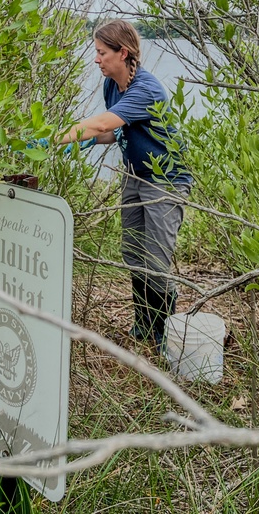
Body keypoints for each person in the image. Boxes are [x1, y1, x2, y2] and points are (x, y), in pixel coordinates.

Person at [56, 20, 192, 350]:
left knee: (156, 260)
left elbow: (101, 122)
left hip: (165, 179)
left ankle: (163, 330)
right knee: (132, 252)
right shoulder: (112, 86)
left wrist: (50, 140)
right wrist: (88, 141)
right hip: (135, 175)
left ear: (123, 53)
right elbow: (113, 129)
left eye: (102, 53)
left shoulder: (146, 88)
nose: (96, 59)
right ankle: (144, 324)